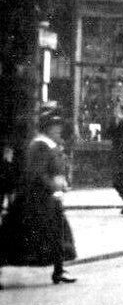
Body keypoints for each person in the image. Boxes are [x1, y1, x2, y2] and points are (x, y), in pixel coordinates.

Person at [0, 115, 78, 287]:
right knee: (19, 240)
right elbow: (37, 174)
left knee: (57, 235)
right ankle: (58, 270)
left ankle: (59, 271)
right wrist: (54, 185)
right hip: (36, 201)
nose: (59, 130)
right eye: (55, 126)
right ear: (48, 129)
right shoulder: (40, 146)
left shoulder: (48, 145)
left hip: (48, 201)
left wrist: (61, 183)